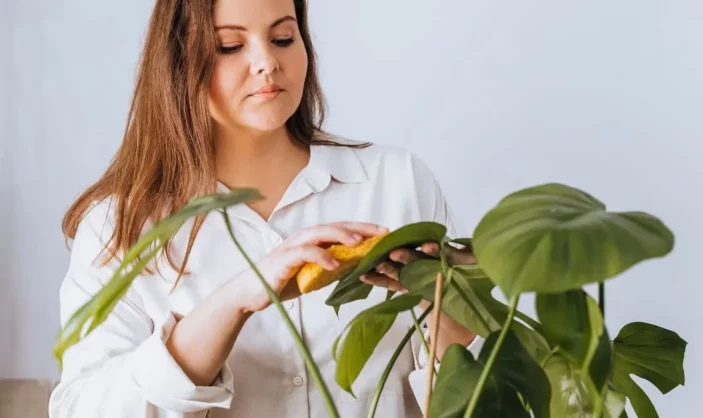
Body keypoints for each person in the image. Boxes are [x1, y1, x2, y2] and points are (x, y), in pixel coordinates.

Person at [48, 0, 482, 417]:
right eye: (230, 46)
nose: (267, 63)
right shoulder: (118, 224)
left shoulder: (397, 181)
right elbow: (81, 410)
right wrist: (233, 303)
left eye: (283, 38)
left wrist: (446, 305)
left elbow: (484, 391)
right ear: (178, 62)